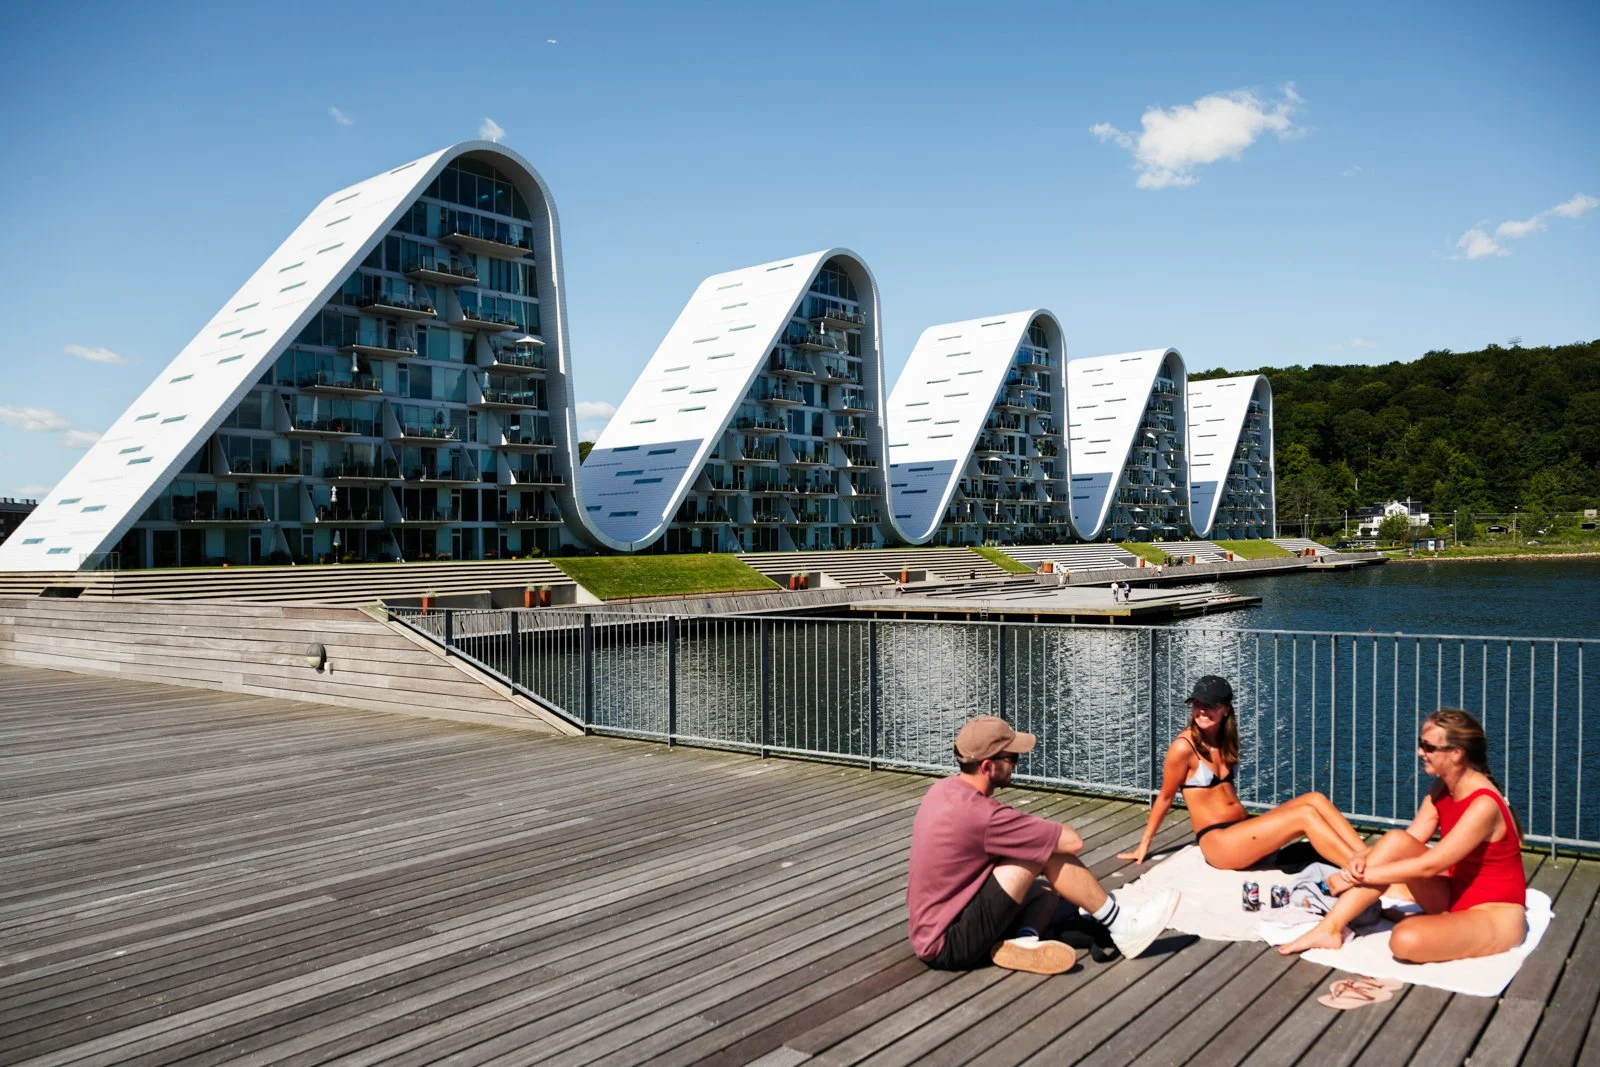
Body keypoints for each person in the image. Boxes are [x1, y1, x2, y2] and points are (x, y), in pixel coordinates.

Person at [907, 716, 1180, 974]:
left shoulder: (941, 790)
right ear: (988, 767)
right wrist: (1034, 833)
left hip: (933, 928)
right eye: (1012, 757)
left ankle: (1024, 941)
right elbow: (1072, 841)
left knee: (1046, 892)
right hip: (950, 944)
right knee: (1044, 851)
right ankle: (1121, 925)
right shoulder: (983, 816)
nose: (1016, 764)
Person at [1278, 708, 1527, 961]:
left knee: (1405, 938)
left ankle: (1426, 923)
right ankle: (1329, 929)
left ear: (1456, 754)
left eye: (1429, 747)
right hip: (1455, 894)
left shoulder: (1483, 805)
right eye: (1421, 744)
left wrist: (1355, 878)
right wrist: (1362, 857)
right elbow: (1408, 840)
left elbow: (1430, 866)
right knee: (1396, 839)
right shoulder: (1443, 785)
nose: (1421, 752)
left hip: (1493, 913)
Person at [1118, 676, 1370, 873]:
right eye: (1197, 704)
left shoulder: (1226, 740)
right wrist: (1144, 845)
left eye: (1209, 706)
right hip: (1220, 844)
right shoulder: (1183, 747)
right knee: (1305, 815)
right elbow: (1165, 797)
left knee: (1314, 799)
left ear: (1225, 709)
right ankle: (1362, 871)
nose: (1201, 711)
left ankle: (1368, 859)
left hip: (1242, 831)